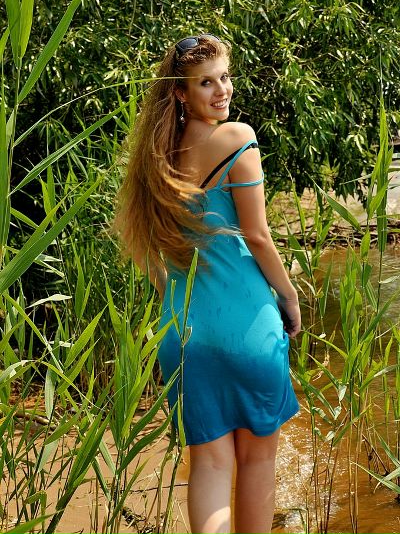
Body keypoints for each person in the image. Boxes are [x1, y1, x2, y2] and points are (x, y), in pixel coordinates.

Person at [114, 34, 301, 534]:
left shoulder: (155, 160)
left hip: (183, 332)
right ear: (180, 92)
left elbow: (147, 255)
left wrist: (176, 305)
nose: (222, 90)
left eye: (225, 77)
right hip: (247, 325)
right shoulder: (237, 137)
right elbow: (258, 237)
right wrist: (289, 297)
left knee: (211, 465)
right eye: (206, 83)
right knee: (258, 461)